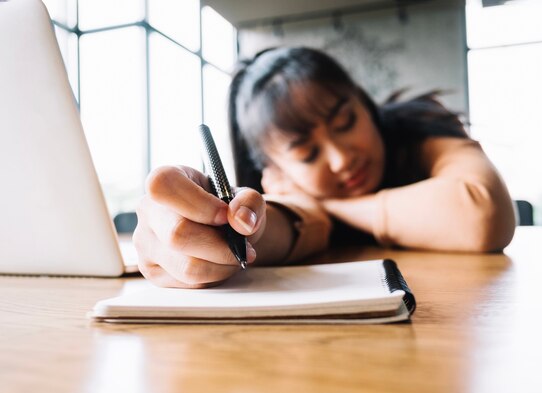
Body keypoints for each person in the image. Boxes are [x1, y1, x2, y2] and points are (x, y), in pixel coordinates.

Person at [132, 47, 516, 288]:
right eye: (305, 153)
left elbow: (482, 213)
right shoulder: (292, 197)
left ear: (364, 102)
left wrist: (332, 206)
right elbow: (284, 224)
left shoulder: (423, 123)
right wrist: (213, 234)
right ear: (274, 171)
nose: (340, 158)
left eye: (346, 122)